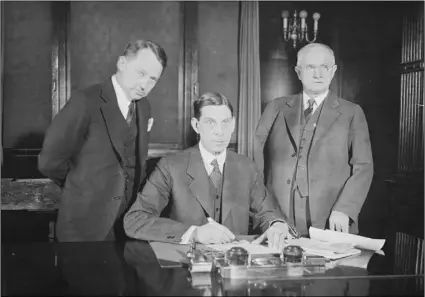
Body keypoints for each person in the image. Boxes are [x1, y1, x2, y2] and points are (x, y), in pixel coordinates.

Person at [124, 92, 297, 249]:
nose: (219, 132)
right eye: (210, 123)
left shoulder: (247, 167)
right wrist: (195, 233)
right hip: (185, 270)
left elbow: (268, 212)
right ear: (196, 125)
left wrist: (277, 225)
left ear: (233, 124)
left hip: (234, 270)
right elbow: (135, 220)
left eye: (225, 123)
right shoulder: (170, 166)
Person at [38, 40, 167, 242]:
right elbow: (49, 162)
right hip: (85, 223)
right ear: (122, 64)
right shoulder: (85, 101)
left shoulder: (144, 106)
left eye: (153, 79)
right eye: (141, 73)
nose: (145, 85)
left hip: (126, 224)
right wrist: (80, 183)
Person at [253, 43, 373, 237]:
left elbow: (364, 167)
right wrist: (269, 215)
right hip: (279, 220)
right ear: (298, 72)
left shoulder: (352, 113)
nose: (318, 74)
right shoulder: (275, 108)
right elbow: (256, 164)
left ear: (333, 71)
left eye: (325, 67)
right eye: (310, 67)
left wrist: (344, 209)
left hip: (331, 221)